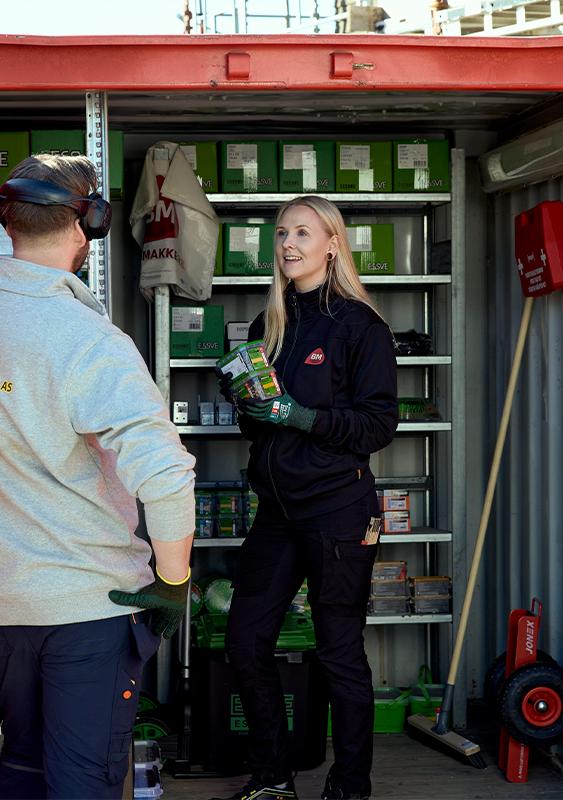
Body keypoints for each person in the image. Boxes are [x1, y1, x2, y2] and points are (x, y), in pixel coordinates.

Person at [0, 153, 196, 800]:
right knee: (83, 782)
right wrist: (172, 583)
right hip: (87, 607)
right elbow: (165, 476)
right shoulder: (86, 339)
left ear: (7, 220)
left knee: (23, 763)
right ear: (87, 226)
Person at [216, 196, 399, 800]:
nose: (288, 244)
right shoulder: (267, 326)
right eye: (281, 234)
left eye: (302, 232)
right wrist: (250, 405)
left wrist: (299, 416)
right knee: (245, 641)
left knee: (338, 652)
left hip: (338, 510)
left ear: (332, 244)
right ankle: (271, 778)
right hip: (278, 512)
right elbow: (260, 429)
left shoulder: (359, 326)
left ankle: (350, 787)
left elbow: (377, 426)